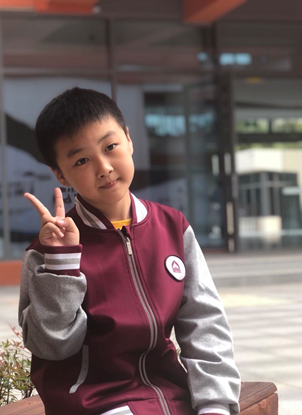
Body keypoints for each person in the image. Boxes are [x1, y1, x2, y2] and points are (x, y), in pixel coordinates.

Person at [18, 88, 241, 415]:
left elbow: (205, 323)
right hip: (94, 404)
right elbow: (53, 346)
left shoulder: (172, 227)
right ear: (60, 174)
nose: (104, 167)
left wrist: (215, 405)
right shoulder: (47, 252)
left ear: (129, 139)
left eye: (110, 147)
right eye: (82, 160)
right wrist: (62, 266)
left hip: (170, 397)